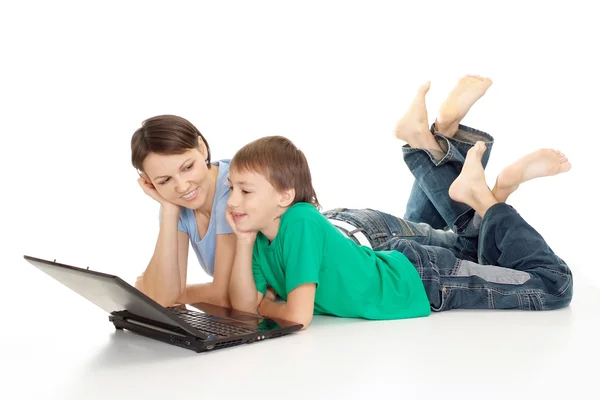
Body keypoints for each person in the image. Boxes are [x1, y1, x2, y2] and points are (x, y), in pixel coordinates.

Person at [225, 75, 573, 329]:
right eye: (232, 188)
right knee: (475, 249)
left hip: (421, 278)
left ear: (285, 196)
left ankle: (489, 199)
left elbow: (295, 316)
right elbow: (244, 306)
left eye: (245, 190)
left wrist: (267, 306)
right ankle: (481, 185)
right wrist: (242, 243)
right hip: (404, 266)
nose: (233, 200)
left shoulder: (298, 220)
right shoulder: (259, 240)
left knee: (554, 284)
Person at [130, 115, 236, 307]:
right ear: (149, 181)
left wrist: (149, 292)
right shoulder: (176, 203)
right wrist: (170, 210)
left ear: (202, 148)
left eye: (187, 167)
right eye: (164, 180)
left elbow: (225, 294)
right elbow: (163, 297)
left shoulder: (235, 189)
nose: (182, 186)